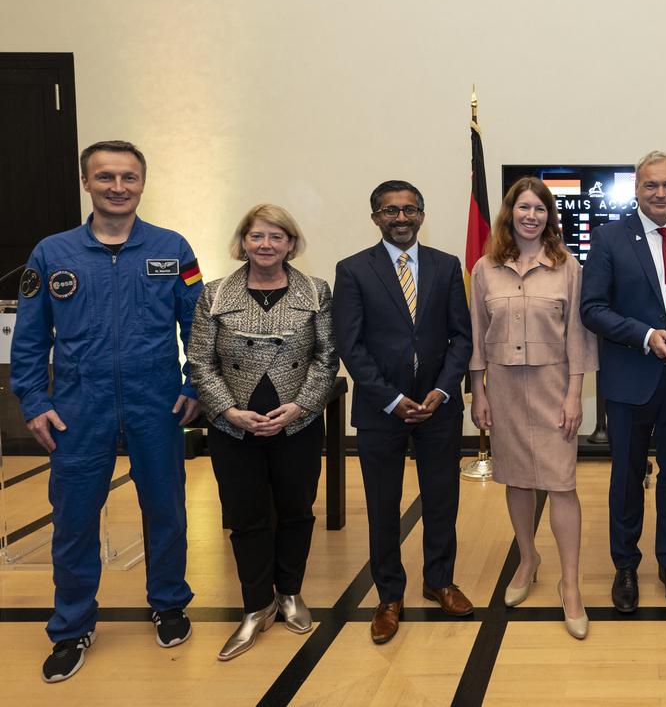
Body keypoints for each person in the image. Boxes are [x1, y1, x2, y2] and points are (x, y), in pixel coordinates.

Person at [12, 140, 203, 682]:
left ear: (143, 183)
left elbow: (198, 324)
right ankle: (72, 626)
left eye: (128, 177)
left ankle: (168, 602)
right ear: (86, 182)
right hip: (78, 406)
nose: (117, 187)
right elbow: (29, 338)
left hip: (157, 400)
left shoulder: (174, 248)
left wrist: (195, 384)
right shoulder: (52, 254)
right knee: (73, 519)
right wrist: (34, 401)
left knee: (165, 508)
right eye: (105, 177)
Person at [187, 204, 338, 660]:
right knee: (246, 515)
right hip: (234, 428)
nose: (266, 245)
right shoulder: (214, 294)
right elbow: (199, 360)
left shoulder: (316, 291)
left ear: (291, 243)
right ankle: (256, 605)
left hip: (298, 423)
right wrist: (229, 411)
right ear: (243, 242)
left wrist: (301, 406)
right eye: (257, 236)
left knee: (296, 509)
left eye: (277, 237)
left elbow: (327, 358)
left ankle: (290, 592)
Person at [332, 180, 474, 644]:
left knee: (441, 501)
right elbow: (349, 345)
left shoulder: (447, 266)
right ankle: (389, 594)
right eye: (390, 210)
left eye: (409, 209)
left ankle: (439, 581)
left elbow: (462, 337)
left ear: (422, 214)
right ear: (375, 217)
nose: (401, 217)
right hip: (381, 410)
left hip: (438, 408)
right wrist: (391, 399)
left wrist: (442, 389)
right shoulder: (353, 270)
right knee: (383, 506)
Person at [580, 151, 666, 612]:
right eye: (650, 186)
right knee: (626, 477)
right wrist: (645, 336)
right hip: (631, 378)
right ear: (636, 189)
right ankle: (625, 566)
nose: (660, 193)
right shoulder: (609, 238)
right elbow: (593, 309)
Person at [469, 177, 598, 639]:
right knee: (517, 478)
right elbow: (476, 336)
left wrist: (572, 395)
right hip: (502, 387)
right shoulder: (485, 268)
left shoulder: (568, 268)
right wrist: (478, 392)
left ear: (549, 216)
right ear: (510, 212)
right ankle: (528, 560)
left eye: (539, 209)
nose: (531, 216)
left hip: (552, 387)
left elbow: (579, 338)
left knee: (562, 484)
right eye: (523, 207)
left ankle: (572, 585)